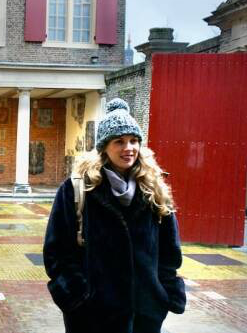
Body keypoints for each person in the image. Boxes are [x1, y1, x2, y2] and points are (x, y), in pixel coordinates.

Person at [43, 98, 186, 333]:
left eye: (133, 141)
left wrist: (163, 294)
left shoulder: (153, 189)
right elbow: (57, 252)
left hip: (145, 313)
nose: (128, 148)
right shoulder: (76, 189)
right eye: (119, 141)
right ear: (104, 147)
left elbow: (169, 252)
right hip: (92, 315)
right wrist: (77, 297)